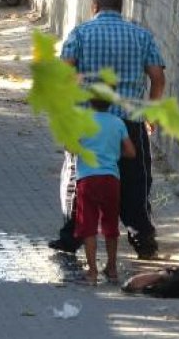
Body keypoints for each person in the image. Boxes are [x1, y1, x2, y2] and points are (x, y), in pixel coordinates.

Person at [49, 0, 166, 259]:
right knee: (135, 181)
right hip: (128, 122)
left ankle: (71, 236)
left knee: (79, 176)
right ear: (121, 7)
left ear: (94, 6)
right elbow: (157, 77)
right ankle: (143, 239)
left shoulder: (80, 33)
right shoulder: (141, 36)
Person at [75, 92, 136, 285]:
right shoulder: (118, 123)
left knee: (89, 226)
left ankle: (92, 272)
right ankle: (111, 268)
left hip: (86, 179)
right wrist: (113, 154)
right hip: (111, 179)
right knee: (110, 224)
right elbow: (131, 152)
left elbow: (70, 146)